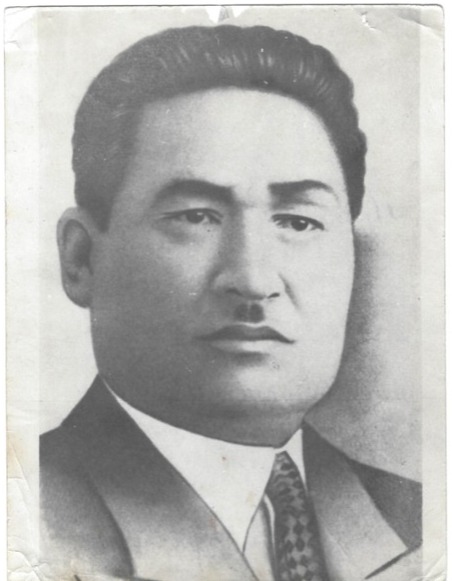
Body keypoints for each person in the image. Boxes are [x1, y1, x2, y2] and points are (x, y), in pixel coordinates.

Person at [40, 24, 421, 581]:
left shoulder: (423, 524)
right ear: (80, 260)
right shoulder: (24, 522)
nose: (253, 279)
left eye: (298, 222)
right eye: (196, 216)